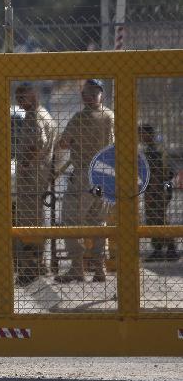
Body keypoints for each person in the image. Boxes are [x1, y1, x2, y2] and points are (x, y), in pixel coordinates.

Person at [55, 79, 115, 283]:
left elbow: (63, 144)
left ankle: (77, 268)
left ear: (84, 97)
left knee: (71, 222)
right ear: (102, 95)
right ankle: (99, 269)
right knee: (99, 222)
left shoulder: (80, 118)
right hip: (105, 175)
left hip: (83, 175)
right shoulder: (110, 116)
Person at [14, 83, 58, 285]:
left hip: (31, 178)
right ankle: (40, 264)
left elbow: (37, 143)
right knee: (38, 221)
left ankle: (31, 268)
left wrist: (24, 163)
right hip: (41, 176)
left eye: (22, 98)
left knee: (28, 223)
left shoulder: (34, 117)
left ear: (32, 96)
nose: (19, 103)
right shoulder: (46, 115)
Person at [139, 124, 178, 261]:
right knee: (160, 218)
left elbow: (156, 173)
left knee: (156, 218)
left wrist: (152, 190)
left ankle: (163, 249)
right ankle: (165, 249)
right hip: (162, 188)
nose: (139, 136)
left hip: (156, 190)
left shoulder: (153, 151)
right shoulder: (158, 148)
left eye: (142, 133)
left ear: (149, 134)